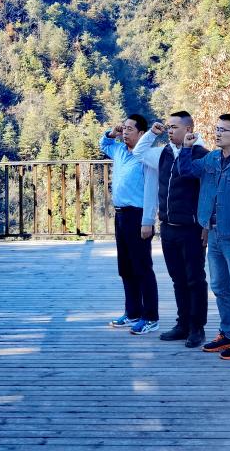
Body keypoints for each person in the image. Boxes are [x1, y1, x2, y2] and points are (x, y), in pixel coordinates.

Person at [177, 114, 230, 361]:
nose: (217, 133)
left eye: (223, 130)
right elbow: (185, 171)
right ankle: (227, 333)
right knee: (219, 288)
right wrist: (186, 148)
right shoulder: (211, 158)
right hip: (212, 233)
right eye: (216, 128)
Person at [133, 112, 210, 348]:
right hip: (168, 227)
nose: (169, 130)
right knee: (178, 279)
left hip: (191, 228)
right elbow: (138, 153)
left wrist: (206, 225)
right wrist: (151, 134)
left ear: (189, 129)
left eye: (174, 127)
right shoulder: (163, 153)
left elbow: (208, 192)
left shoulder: (201, 154)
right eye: (168, 126)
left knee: (195, 279)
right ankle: (182, 324)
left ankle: (197, 327)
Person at [100, 115, 159, 335]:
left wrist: (148, 220)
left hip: (138, 215)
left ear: (142, 133)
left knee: (142, 267)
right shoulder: (119, 150)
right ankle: (133, 312)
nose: (125, 132)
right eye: (123, 128)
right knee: (125, 267)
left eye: (130, 129)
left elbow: (151, 191)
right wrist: (111, 132)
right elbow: (104, 143)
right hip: (121, 215)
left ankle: (150, 317)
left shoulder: (146, 156)